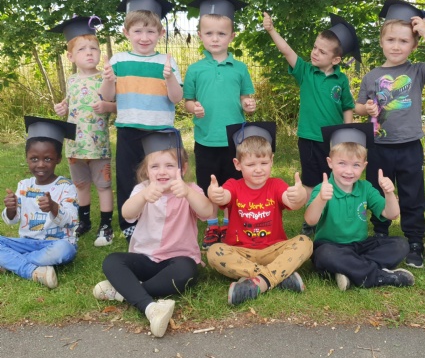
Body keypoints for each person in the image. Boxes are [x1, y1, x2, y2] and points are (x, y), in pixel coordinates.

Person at [355, 0, 425, 268]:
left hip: (409, 146)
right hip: (379, 146)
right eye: (391, 40)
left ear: (414, 45)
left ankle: (414, 241)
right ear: (381, 42)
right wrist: (367, 108)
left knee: (412, 194)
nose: (396, 46)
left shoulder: (416, 71)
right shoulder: (372, 76)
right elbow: (358, 106)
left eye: (404, 41)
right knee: (377, 191)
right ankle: (381, 234)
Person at [93, 129, 212, 338]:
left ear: (183, 168)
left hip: (177, 261)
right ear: (147, 171)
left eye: (170, 166)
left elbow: (207, 212)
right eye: (155, 166)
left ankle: (125, 291)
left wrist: (188, 193)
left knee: (187, 271)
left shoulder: (190, 189)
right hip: (145, 259)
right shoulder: (143, 189)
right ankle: (149, 307)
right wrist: (143, 197)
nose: (162, 171)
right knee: (112, 261)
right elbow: (127, 213)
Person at [263, 12, 359, 238]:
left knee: (335, 180)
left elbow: (347, 107)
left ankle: (334, 220)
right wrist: (271, 30)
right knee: (310, 182)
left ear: (336, 60)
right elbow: (287, 51)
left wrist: (347, 133)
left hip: (334, 141)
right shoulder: (305, 71)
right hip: (308, 138)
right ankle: (310, 223)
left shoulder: (341, 80)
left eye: (322, 51)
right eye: (315, 47)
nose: (315, 53)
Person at [100, 0, 183, 241]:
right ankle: (130, 225)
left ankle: (164, 222)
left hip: (160, 132)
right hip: (128, 130)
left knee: (162, 177)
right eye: (137, 31)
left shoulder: (166, 61)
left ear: (160, 33)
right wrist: (108, 80)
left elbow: (176, 98)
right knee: (128, 178)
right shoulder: (119, 60)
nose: (144, 37)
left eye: (150, 31)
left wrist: (169, 78)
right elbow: (108, 97)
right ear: (126, 33)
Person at [207, 122, 313, 305]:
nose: (258, 169)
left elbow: (293, 202)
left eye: (264, 163)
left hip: (274, 250)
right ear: (238, 164)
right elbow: (223, 196)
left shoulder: (276, 185)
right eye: (251, 164)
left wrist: (300, 195)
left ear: (272, 160)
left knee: (305, 242)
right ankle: (279, 276)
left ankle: (259, 281)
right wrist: (214, 193)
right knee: (214, 252)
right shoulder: (233, 185)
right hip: (241, 251)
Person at [184, 0, 256, 249]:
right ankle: (213, 225)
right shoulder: (195, 69)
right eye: (209, 33)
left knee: (232, 184)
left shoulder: (240, 68)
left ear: (232, 37)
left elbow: (247, 100)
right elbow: (187, 101)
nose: (215, 39)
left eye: (221, 34)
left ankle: (230, 224)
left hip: (235, 140)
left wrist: (249, 105)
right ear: (200, 35)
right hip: (206, 139)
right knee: (210, 185)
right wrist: (194, 107)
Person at [305, 123, 414, 290]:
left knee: (401, 244)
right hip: (331, 246)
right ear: (330, 162)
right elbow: (310, 220)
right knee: (324, 255)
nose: (349, 171)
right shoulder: (323, 189)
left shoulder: (365, 188)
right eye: (342, 163)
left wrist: (389, 193)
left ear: (364, 166)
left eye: (356, 165)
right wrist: (321, 199)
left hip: (361, 246)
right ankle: (379, 276)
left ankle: (349, 270)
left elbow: (392, 214)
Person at [52, 16, 116, 246]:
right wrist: (62, 108)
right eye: (82, 49)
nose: (89, 53)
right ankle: (84, 221)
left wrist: (106, 104)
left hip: (98, 146)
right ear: (71, 56)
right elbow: (69, 105)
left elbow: (114, 102)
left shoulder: (105, 78)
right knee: (80, 185)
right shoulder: (71, 80)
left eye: (94, 48)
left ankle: (106, 225)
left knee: (103, 185)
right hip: (75, 145)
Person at [1, 117, 78, 288]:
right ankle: (31, 270)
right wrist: (11, 209)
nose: (41, 164)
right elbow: (12, 220)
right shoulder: (24, 185)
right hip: (26, 243)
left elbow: (72, 222)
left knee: (65, 250)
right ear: (27, 158)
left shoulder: (66, 186)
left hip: (55, 244)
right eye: (34, 159)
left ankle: (12, 263)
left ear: (58, 158)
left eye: (48, 159)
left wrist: (53, 207)